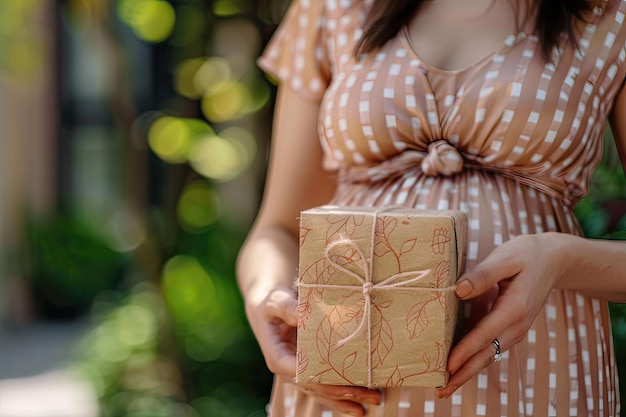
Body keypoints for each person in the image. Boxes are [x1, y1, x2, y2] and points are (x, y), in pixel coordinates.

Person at [236, 0, 626, 415]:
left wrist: (560, 260)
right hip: (346, 374)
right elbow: (277, 229)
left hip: (531, 364)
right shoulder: (333, 6)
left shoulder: (610, 13)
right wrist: (266, 298)